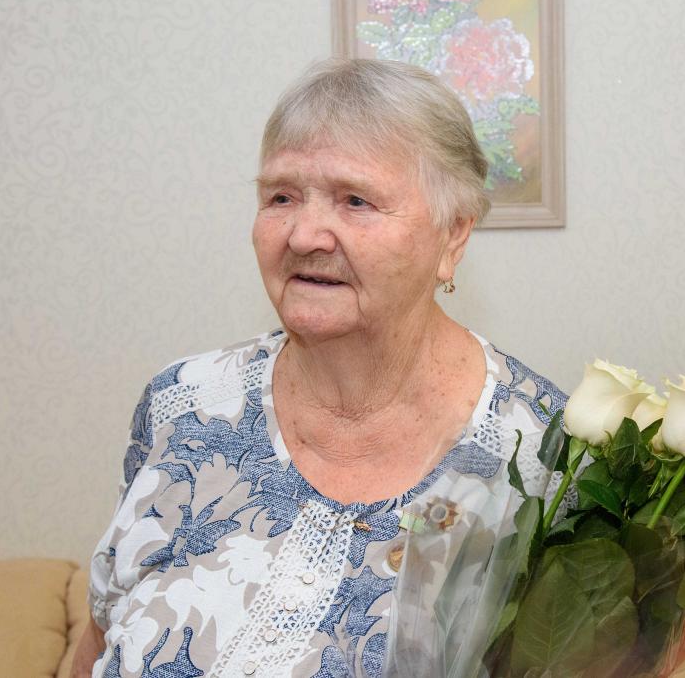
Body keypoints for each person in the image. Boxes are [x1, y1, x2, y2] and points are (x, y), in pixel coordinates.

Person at [74, 57, 568, 677]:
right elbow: (99, 639)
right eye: (281, 196)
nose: (305, 234)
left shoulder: (544, 456)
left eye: (355, 200)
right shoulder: (183, 404)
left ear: (453, 236)